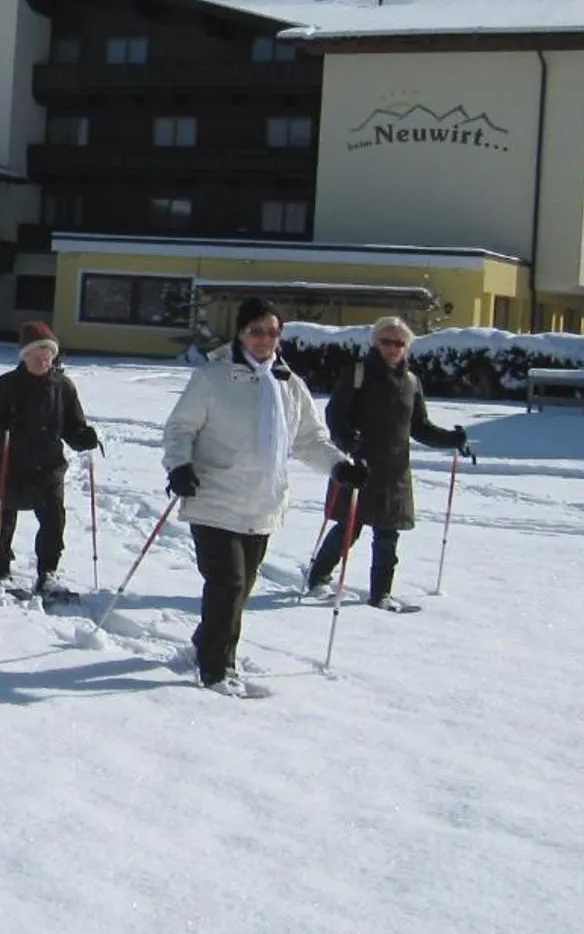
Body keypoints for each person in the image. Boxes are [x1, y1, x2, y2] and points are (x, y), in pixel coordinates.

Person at [162, 296, 360, 698]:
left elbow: (309, 439)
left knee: (241, 586)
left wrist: (340, 466)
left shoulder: (288, 384)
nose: (265, 339)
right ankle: (216, 668)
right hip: (214, 496)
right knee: (228, 583)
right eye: (256, 331)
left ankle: (207, 642)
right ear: (240, 333)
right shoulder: (213, 378)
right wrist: (179, 466)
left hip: (262, 502)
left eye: (272, 332)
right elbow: (180, 428)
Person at [303, 316, 470, 610]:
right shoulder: (356, 374)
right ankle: (318, 577)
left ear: (407, 348)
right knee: (348, 529)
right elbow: (335, 416)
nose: (392, 348)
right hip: (359, 467)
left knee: (387, 536)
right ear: (375, 343)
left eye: (399, 343)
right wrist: (348, 444)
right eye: (386, 341)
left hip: (394, 472)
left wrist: (452, 440)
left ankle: (381, 594)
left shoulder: (411, 382)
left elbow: (419, 427)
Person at [0, 321, 100, 605]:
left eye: (49, 352)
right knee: (3, 520)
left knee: (54, 521)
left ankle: (48, 573)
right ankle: (0, 570)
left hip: (48, 466)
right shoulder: (4, 386)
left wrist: (83, 437)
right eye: (38, 352)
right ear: (25, 355)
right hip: (9, 465)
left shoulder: (63, 387)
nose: (45, 357)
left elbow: (72, 426)